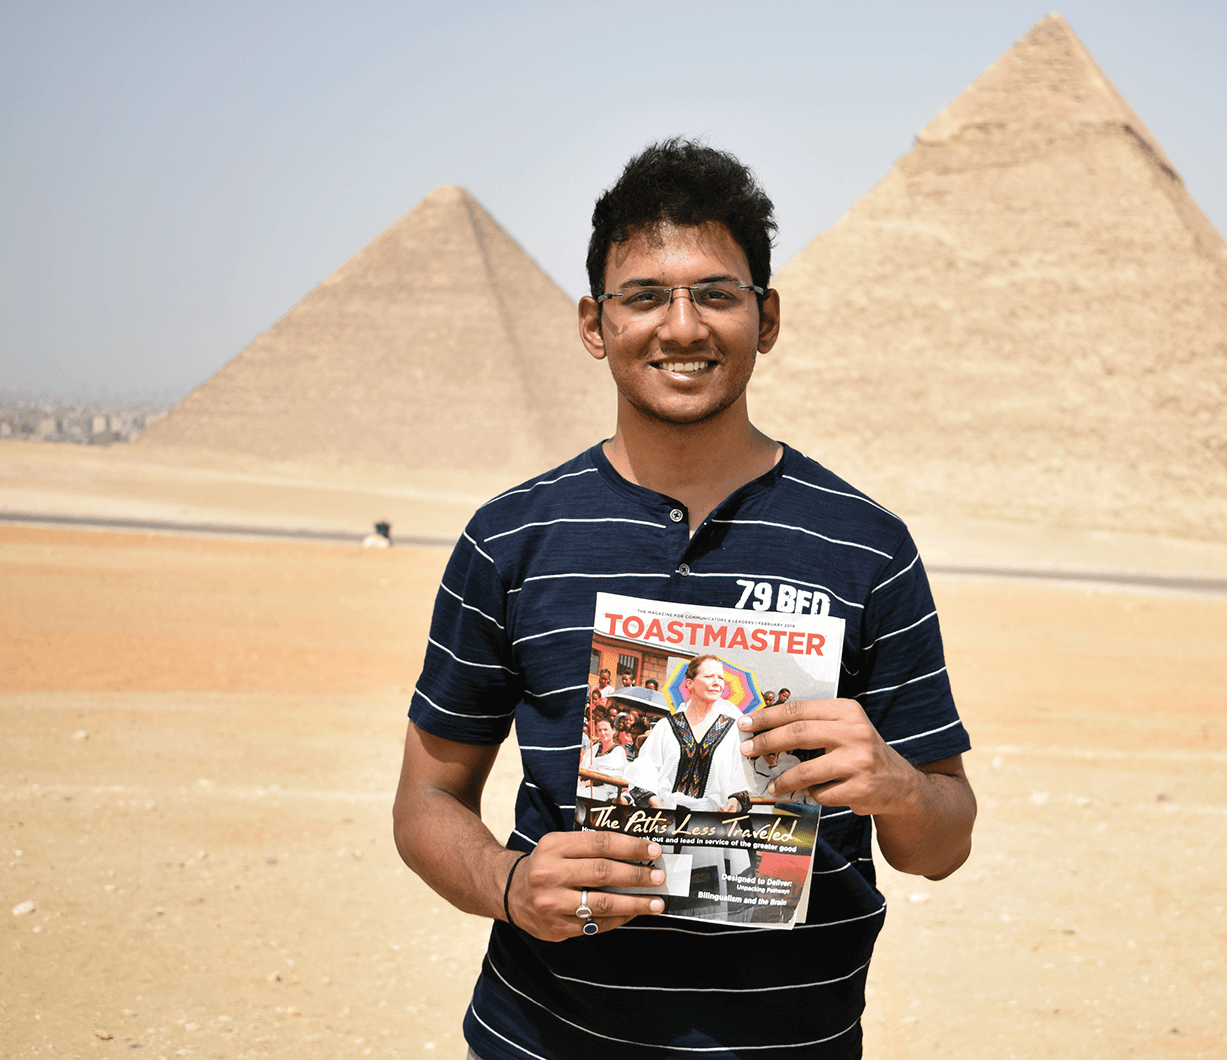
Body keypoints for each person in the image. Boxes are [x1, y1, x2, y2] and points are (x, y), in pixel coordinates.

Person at [392, 138, 975, 1060]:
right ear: (595, 323)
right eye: (645, 296)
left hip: (793, 1044)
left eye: (715, 293)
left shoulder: (865, 546)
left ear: (766, 316)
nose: (682, 326)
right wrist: (510, 886)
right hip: (545, 1037)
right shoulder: (512, 539)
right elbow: (426, 798)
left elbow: (942, 839)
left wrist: (898, 785)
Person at [627, 655, 750, 812]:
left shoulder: (731, 730)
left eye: (720, 678)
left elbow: (739, 773)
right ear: (690, 683)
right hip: (667, 814)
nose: (717, 683)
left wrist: (734, 799)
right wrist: (655, 803)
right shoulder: (667, 727)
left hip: (710, 820)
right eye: (708, 676)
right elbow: (646, 768)